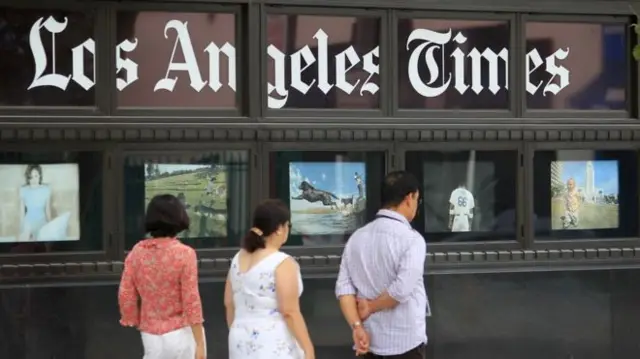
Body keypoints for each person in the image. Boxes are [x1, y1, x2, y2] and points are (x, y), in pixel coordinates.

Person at [336, 171, 429, 359]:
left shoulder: (356, 238)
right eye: (417, 200)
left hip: (368, 343)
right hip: (406, 344)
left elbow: (344, 289)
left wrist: (357, 327)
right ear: (409, 198)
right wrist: (370, 306)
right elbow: (401, 290)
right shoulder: (412, 240)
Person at [118, 194, 206, 359]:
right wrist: (200, 343)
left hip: (150, 336)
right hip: (180, 332)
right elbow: (191, 299)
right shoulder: (185, 254)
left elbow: (126, 293)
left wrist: (131, 317)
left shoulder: (136, 252)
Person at [225, 199, 314, 359]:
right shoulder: (281, 262)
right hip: (272, 341)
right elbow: (290, 311)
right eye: (288, 226)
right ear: (280, 228)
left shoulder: (238, 258)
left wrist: (238, 329)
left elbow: (229, 302)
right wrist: (308, 349)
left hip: (239, 339)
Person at [19, 164, 52, 241]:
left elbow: (48, 211)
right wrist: (21, 228)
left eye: (36, 176)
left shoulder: (46, 189)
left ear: (40, 176)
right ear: (28, 178)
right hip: (28, 222)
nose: (33, 180)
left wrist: (50, 226)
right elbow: (22, 212)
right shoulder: (23, 190)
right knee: (25, 242)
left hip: (42, 221)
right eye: (31, 177)